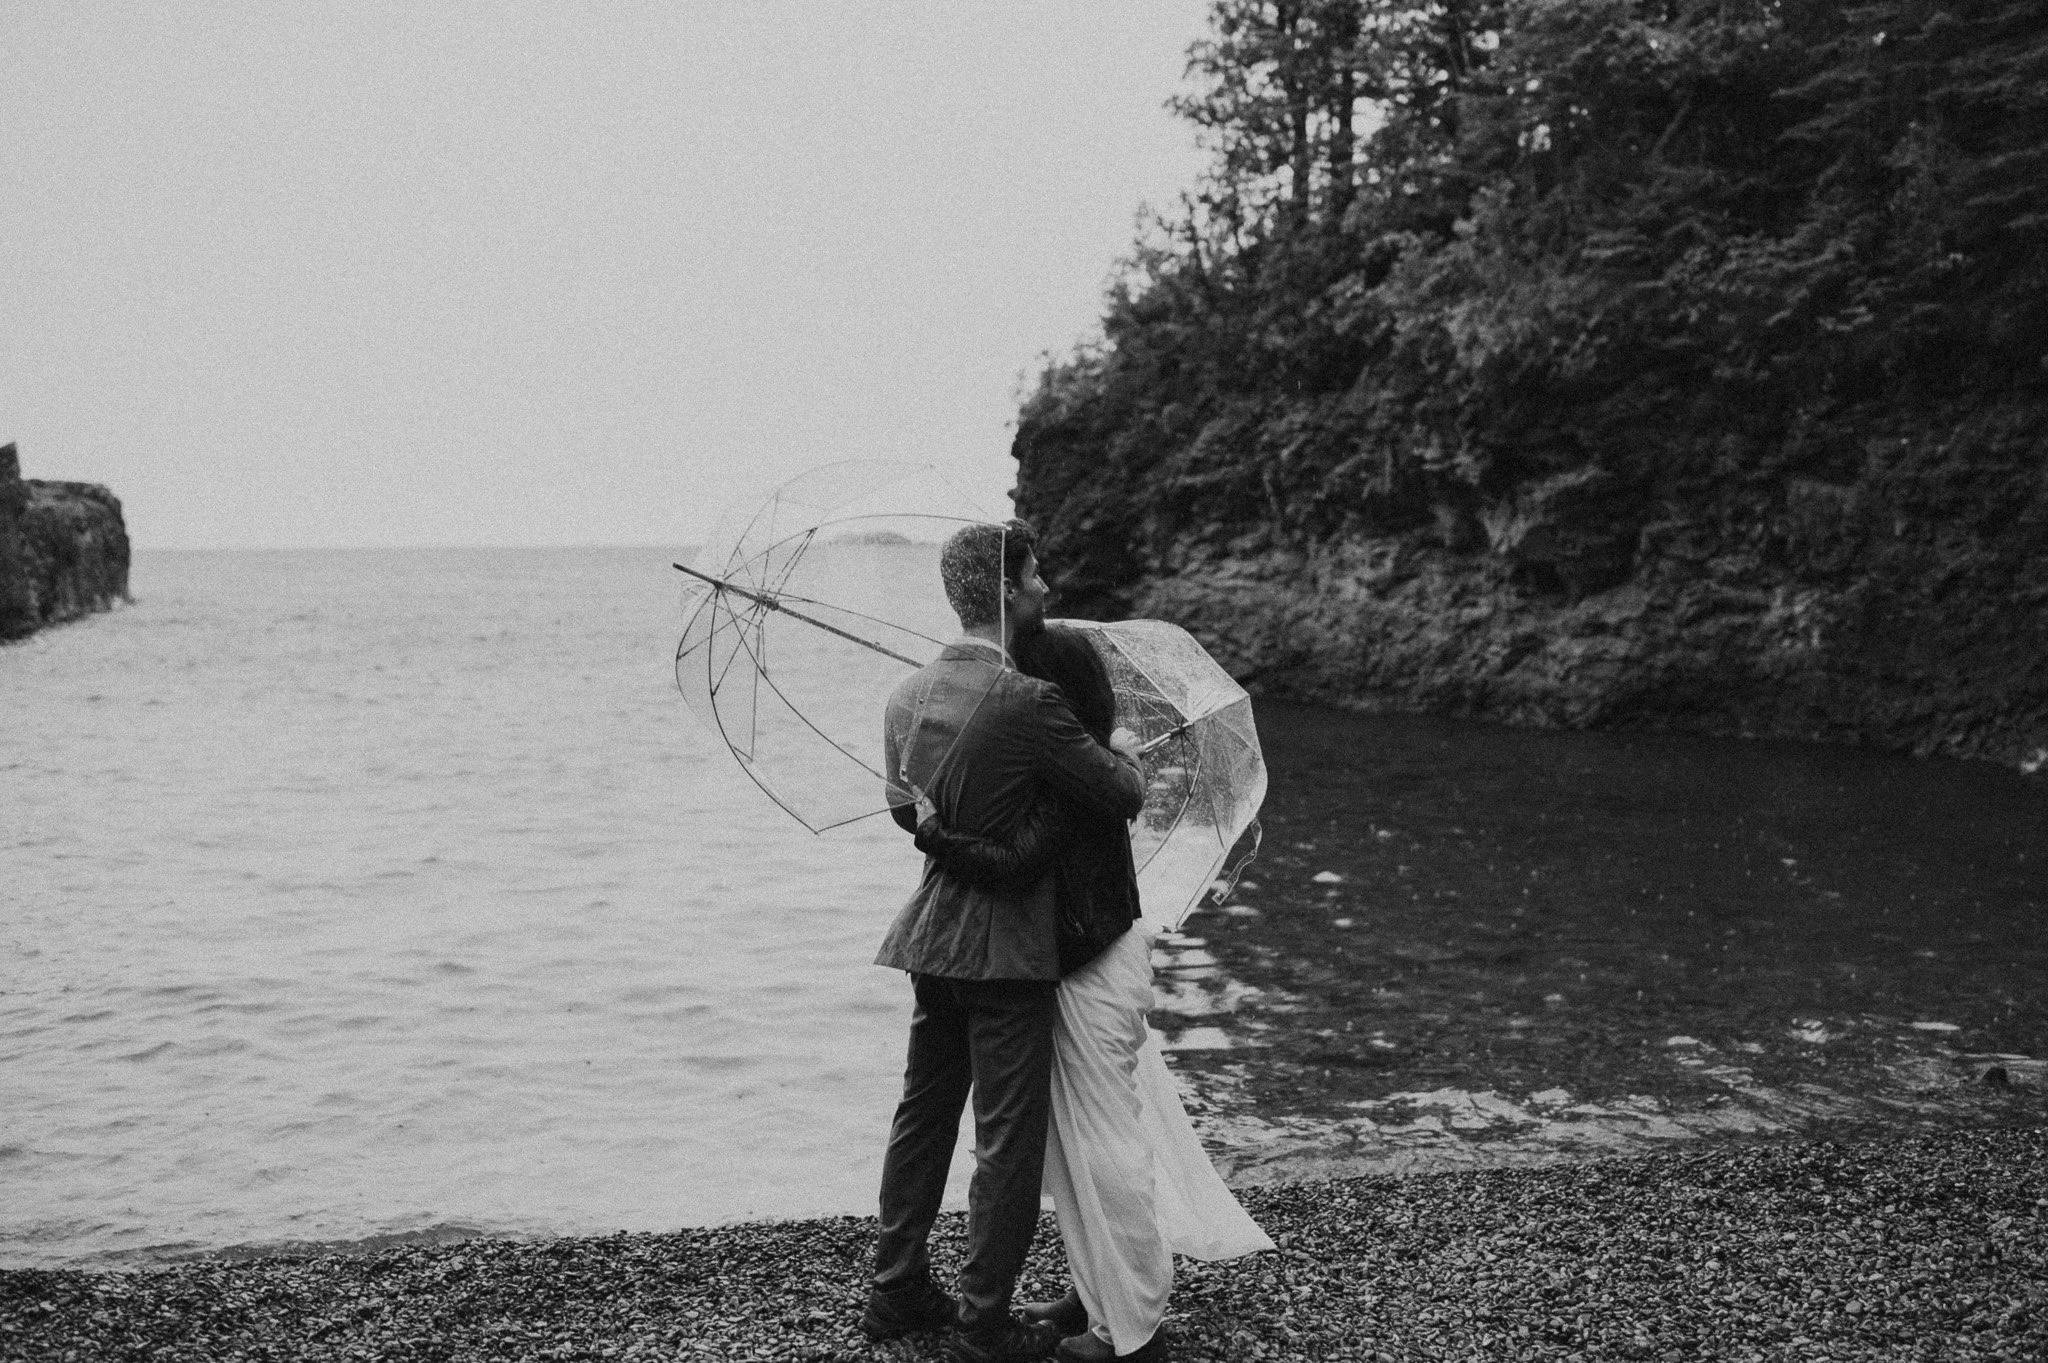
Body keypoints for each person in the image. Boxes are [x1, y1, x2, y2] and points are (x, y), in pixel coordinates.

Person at [910, 625, 1274, 1363]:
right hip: (1085, 958)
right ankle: (1093, 1292)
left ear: (1054, 694)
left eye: (1026, 685)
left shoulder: (1085, 777)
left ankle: (1129, 1328)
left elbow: (1017, 861)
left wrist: (932, 830)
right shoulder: (1079, 763)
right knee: (1074, 1141)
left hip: (1095, 963)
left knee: (1104, 1142)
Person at [866, 520, 1147, 1363]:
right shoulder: (1031, 702)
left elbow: (901, 811)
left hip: (931, 936)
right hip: (1004, 953)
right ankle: (985, 1322)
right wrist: (1121, 748)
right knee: (1006, 1136)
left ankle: (897, 1286)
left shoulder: (905, 697)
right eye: (1036, 574)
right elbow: (1119, 795)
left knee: (924, 1113)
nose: (1047, 589)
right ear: (1004, 591)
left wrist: (965, 821)